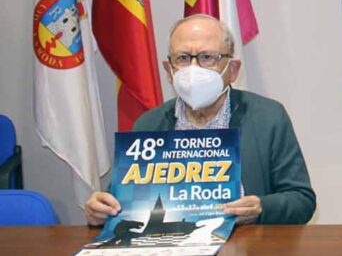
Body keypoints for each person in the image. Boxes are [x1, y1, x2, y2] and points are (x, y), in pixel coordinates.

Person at [85, 14, 316, 226]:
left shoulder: (268, 118)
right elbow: (119, 202)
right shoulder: (148, 124)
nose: (193, 69)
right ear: (169, 69)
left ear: (232, 69)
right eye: (183, 58)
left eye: (207, 57)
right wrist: (101, 209)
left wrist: (261, 208)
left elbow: (302, 200)